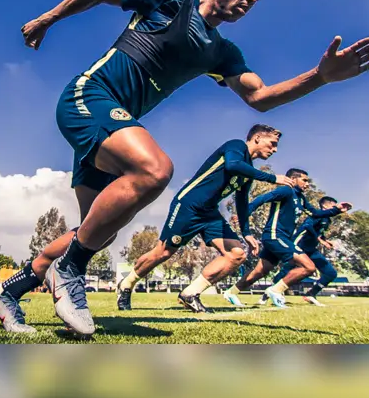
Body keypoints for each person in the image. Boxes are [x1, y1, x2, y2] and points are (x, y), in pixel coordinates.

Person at [0, 0, 369, 337]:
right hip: (90, 97)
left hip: (117, 126)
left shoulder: (223, 52)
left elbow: (259, 97)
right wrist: (48, 19)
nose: (250, 0)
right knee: (155, 170)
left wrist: (320, 76)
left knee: (99, 230)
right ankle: (69, 270)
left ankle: (9, 290)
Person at [116, 124, 290, 313]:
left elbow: (241, 202)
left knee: (236, 254)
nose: (275, 149)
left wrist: (246, 233)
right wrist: (272, 178)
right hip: (189, 204)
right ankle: (126, 284)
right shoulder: (236, 146)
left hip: (209, 213)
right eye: (272, 144)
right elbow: (233, 164)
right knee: (163, 253)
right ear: (257, 138)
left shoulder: (248, 171)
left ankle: (190, 294)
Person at [223, 169, 341, 308]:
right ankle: (275, 290)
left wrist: (337, 209)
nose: (307, 184)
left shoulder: (301, 198)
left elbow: (315, 213)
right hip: (274, 235)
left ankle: (231, 292)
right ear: (293, 179)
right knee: (308, 267)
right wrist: (244, 213)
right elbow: (262, 198)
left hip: (281, 238)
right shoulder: (286, 191)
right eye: (304, 180)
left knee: (260, 271)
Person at [261, 196, 350, 307]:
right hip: (299, 247)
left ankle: (311, 294)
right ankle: (267, 294)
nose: (335, 208)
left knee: (330, 273)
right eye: (333, 205)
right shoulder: (316, 215)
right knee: (287, 271)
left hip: (311, 250)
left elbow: (319, 233)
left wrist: (326, 240)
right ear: (325, 205)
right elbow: (308, 226)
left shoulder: (327, 219)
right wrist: (320, 240)